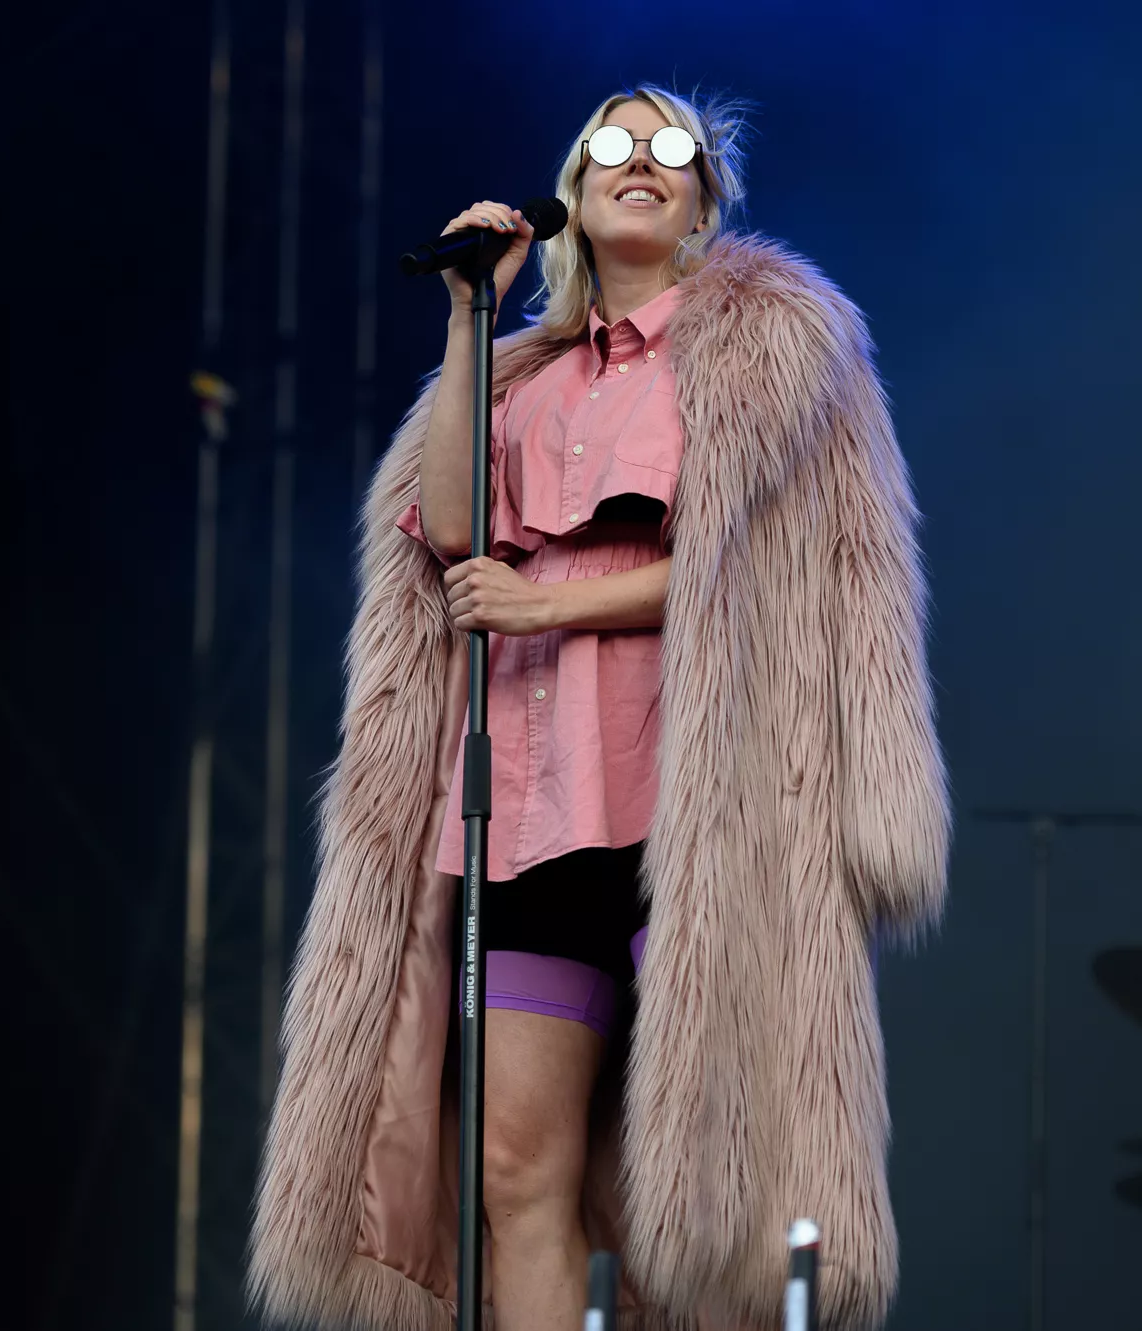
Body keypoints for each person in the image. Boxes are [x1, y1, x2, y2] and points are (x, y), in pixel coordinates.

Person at [246, 86, 949, 1331]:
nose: (642, 159)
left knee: (713, 1188)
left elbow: (757, 572)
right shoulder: (521, 380)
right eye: (611, 145)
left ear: (702, 205)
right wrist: (469, 314)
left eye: (671, 148)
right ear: (569, 196)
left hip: (698, 813)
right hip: (527, 812)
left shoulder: (768, 359)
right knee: (515, 1170)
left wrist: (548, 604)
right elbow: (453, 526)